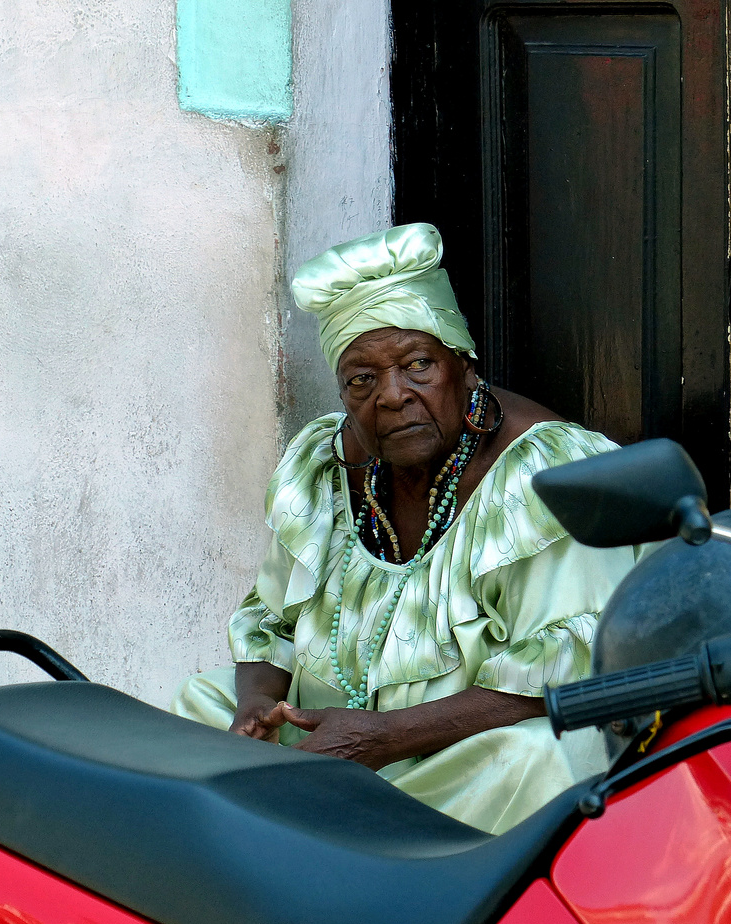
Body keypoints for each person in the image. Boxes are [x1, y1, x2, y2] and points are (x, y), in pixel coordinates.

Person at [171, 223, 639, 834]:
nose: (391, 397)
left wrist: (388, 736)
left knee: (536, 757)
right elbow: (272, 620)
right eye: (361, 380)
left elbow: (567, 665)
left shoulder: (542, 472)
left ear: (465, 368)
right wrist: (259, 705)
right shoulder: (326, 465)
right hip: (336, 737)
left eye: (418, 365)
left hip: (458, 751)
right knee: (199, 703)